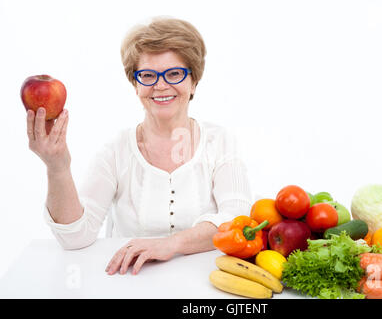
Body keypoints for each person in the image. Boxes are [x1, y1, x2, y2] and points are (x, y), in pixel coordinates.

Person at [26, 17, 253, 275]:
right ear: (135, 84)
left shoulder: (219, 141)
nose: (160, 85)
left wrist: (171, 244)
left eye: (175, 73)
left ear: (194, 81)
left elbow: (237, 218)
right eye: (147, 75)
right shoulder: (115, 151)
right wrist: (57, 167)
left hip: (206, 285)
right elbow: (75, 237)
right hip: (130, 284)